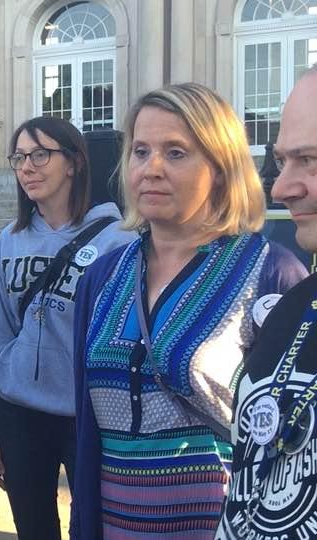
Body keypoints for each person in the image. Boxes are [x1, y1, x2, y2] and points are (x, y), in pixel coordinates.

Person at [71, 82, 308, 539]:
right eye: (141, 151)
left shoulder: (273, 275)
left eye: (176, 153)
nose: (151, 169)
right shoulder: (100, 279)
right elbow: (86, 432)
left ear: (219, 169)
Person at [0, 116, 135, 540]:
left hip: (87, 415)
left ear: (75, 163)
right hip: (19, 411)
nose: (27, 167)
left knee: (93, 527)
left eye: (40, 154)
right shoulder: (11, 238)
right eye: (19, 157)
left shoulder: (118, 239)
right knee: (33, 528)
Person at [216, 68, 317, 539]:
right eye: (282, 161)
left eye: (311, 161)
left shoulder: (274, 269)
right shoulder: (297, 303)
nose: (280, 188)